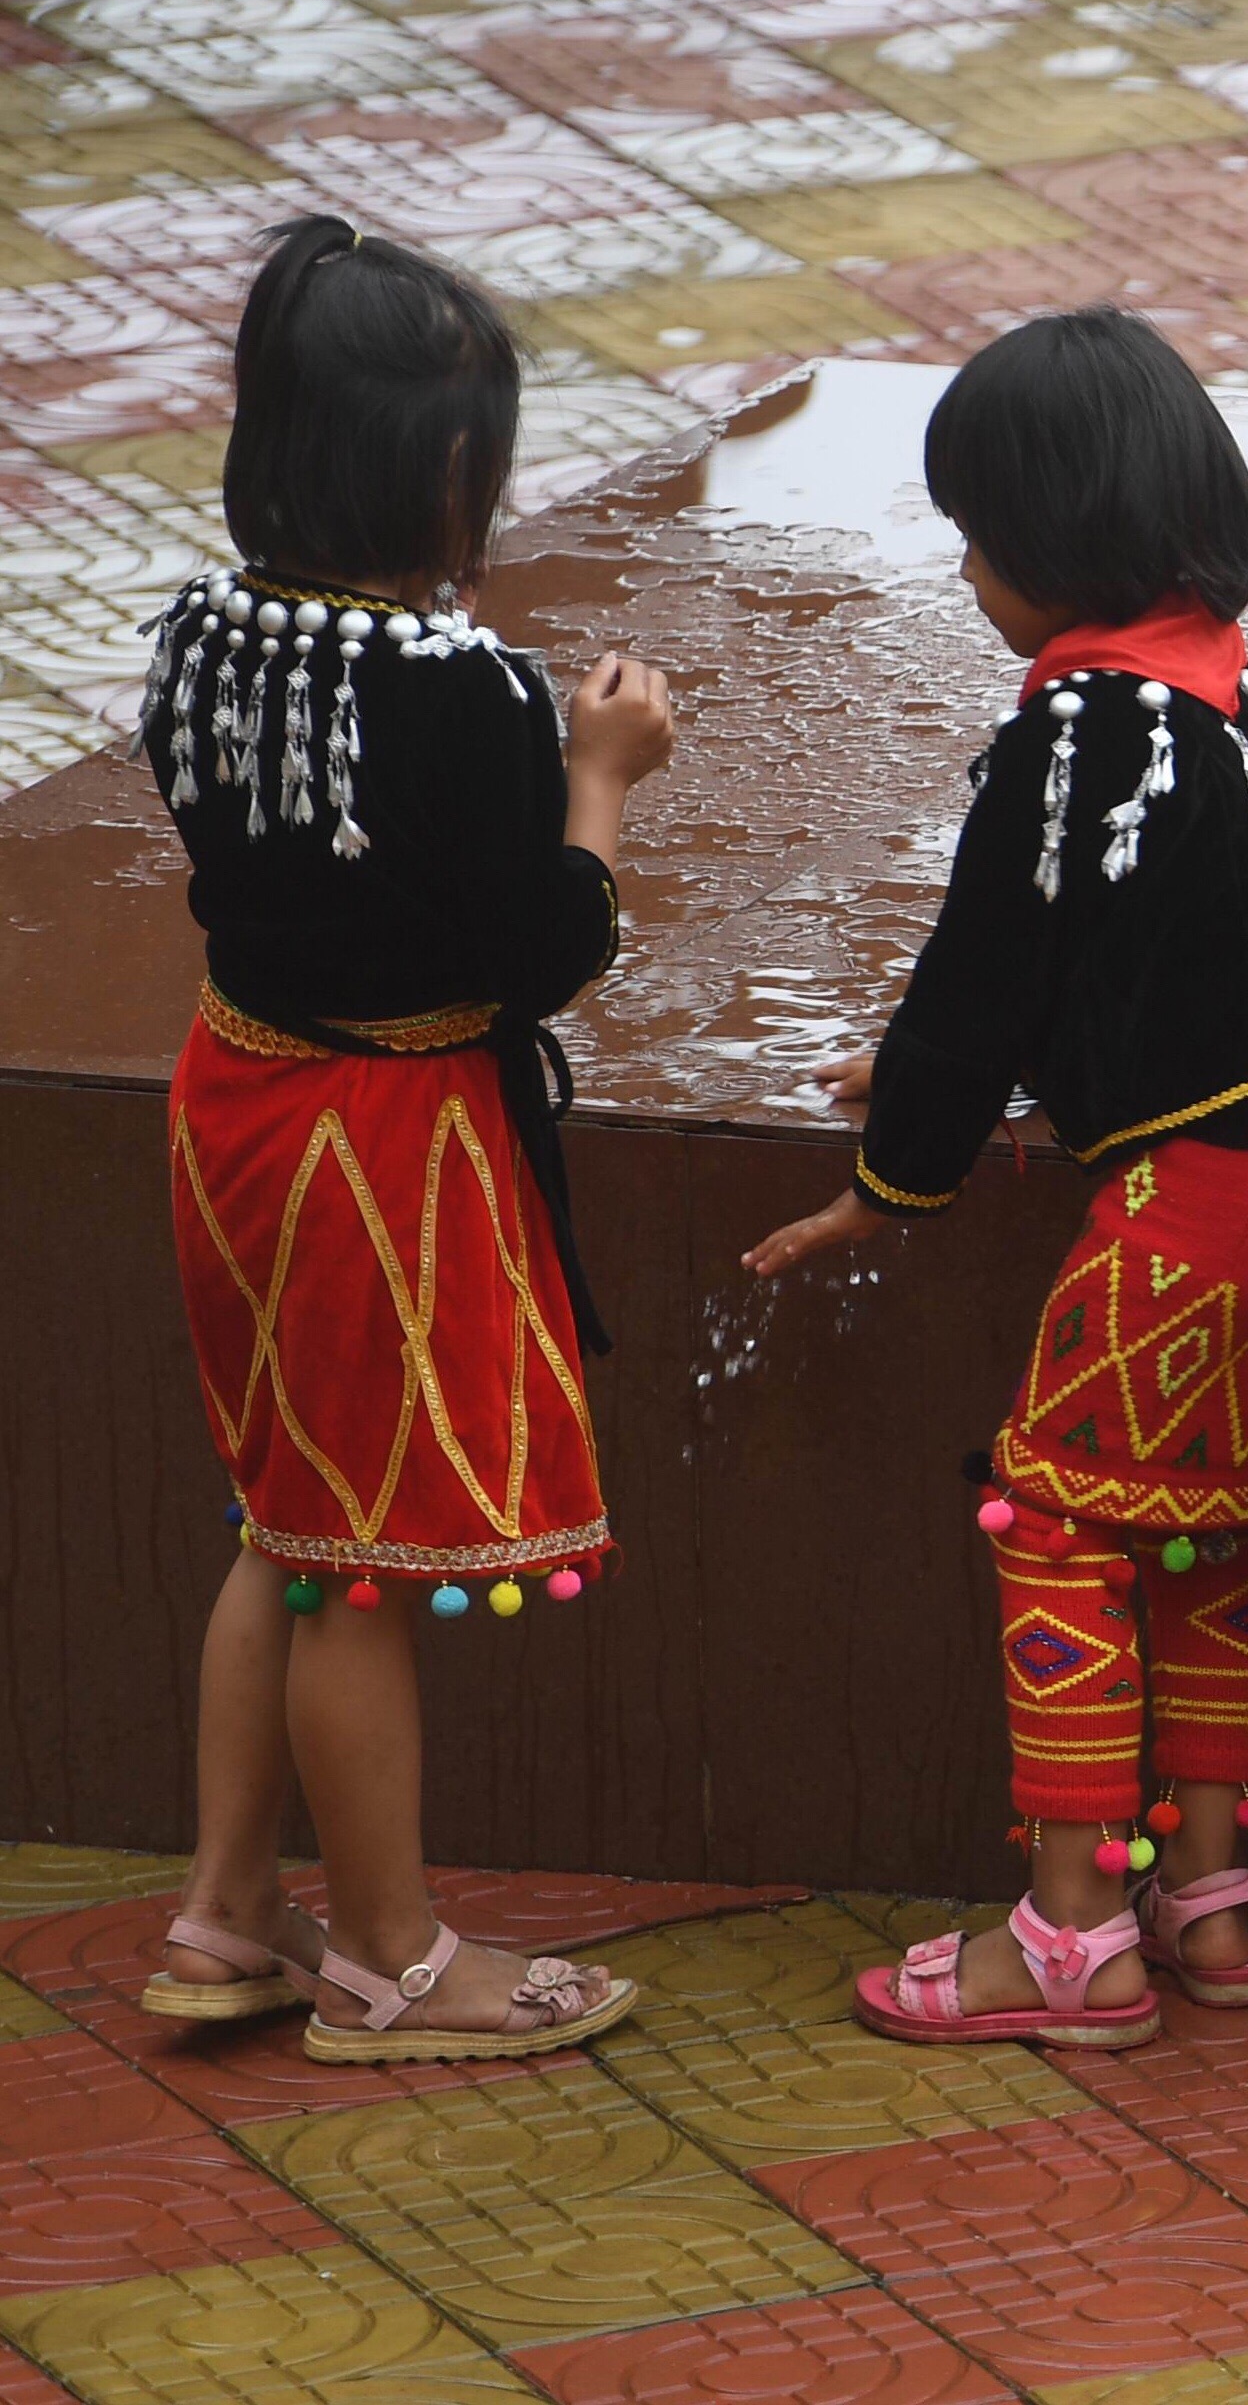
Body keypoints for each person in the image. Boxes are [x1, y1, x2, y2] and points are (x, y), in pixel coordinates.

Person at [745, 310, 1248, 2052]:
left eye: (975, 538)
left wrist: (896, 1174)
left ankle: (1074, 1927)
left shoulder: (1076, 735)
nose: (964, 573)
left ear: (1048, 543)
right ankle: (1217, 1892)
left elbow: (984, 967)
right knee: (1219, 1541)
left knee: (1065, 1525)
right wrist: (1004, 1057)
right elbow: (1198, 966)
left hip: (1187, 1218)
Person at [137, 215, 669, 2061]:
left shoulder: (200, 641)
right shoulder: (466, 697)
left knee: (277, 1521)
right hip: (384, 1138)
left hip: (237, 1097)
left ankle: (222, 1911)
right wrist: (598, 786)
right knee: (359, 1557)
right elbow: (543, 955)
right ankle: (392, 1956)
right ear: (450, 482)